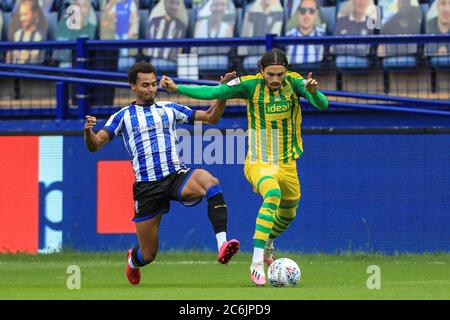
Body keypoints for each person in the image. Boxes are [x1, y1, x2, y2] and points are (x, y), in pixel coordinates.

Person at [160, 48, 328, 286]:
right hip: (259, 161)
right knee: (272, 195)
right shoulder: (249, 85)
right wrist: (178, 89)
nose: (276, 80)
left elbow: (322, 105)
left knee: (288, 214)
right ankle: (256, 261)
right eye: (270, 74)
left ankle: (268, 244)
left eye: (280, 74)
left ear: (286, 72)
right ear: (261, 72)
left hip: (288, 163)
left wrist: (314, 92)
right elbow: (214, 92)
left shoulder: (296, 83)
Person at [84, 62, 240, 286]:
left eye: (154, 84)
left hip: (175, 176)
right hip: (147, 188)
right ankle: (132, 262)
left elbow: (211, 117)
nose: (151, 89)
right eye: (145, 85)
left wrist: (223, 91)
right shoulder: (122, 116)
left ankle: (222, 245)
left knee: (210, 181)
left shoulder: (169, 109)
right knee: (148, 254)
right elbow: (95, 144)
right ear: (133, 87)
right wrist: (88, 131)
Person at [286, 0, 325, 64]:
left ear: (316, 14)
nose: (307, 15)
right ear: (298, 13)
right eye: (303, 11)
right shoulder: (286, 38)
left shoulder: (325, 38)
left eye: (311, 11)